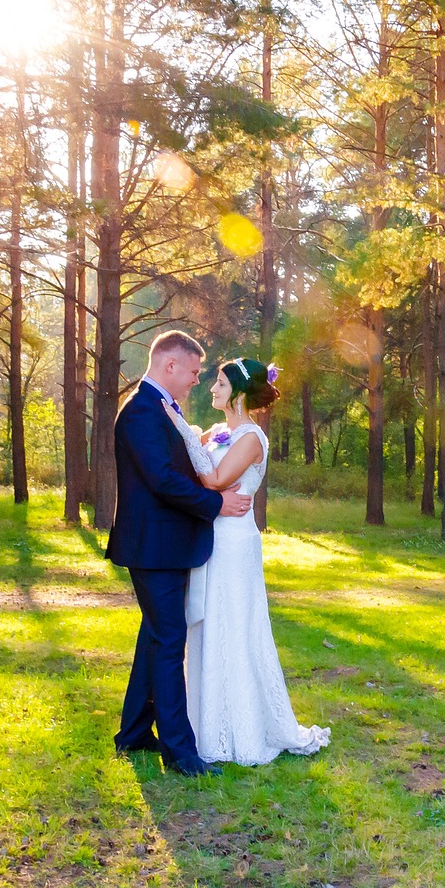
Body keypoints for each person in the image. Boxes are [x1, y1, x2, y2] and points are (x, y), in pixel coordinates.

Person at [105, 331, 254, 776]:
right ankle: (181, 753)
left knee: (155, 637)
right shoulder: (140, 412)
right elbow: (163, 479)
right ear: (169, 366)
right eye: (192, 372)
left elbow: (181, 462)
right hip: (154, 546)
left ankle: (133, 733)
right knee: (171, 643)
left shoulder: (163, 409)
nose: (195, 381)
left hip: (165, 544)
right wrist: (216, 504)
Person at [182, 357, 330, 765]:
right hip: (211, 538)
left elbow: (213, 480)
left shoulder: (250, 438)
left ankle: (243, 730)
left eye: (220, 384)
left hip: (233, 544)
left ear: (240, 394)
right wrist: (197, 437)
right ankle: (205, 725)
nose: (212, 389)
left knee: (234, 626)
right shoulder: (221, 433)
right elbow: (203, 469)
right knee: (208, 624)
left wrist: (184, 431)